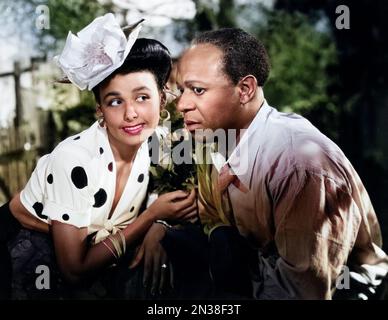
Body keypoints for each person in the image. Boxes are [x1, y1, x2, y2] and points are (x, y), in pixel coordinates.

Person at [172, 27, 388, 299]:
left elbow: (300, 293)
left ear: (245, 89)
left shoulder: (297, 164)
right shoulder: (222, 144)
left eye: (198, 90)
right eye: (182, 90)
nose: (182, 105)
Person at [0, 13, 196, 299]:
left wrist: (160, 226)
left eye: (142, 97)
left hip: (96, 258)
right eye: (115, 101)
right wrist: (152, 216)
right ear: (100, 111)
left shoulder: (160, 142)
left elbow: (186, 189)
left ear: (162, 100)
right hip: (22, 252)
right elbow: (75, 270)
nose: (130, 113)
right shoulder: (75, 160)